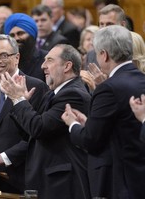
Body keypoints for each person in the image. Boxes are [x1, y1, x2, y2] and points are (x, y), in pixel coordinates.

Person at [61, 25, 145, 198]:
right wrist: (88, 123)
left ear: (104, 55)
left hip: (118, 183)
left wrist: (73, 125)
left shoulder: (107, 88)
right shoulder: (141, 79)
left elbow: (91, 140)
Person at [0, 44, 91, 199]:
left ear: (67, 66)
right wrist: (22, 103)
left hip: (62, 183)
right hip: (47, 179)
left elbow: (39, 128)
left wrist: (18, 100)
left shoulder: (73, 94)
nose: (43, 66)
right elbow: (30, 133)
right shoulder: (52, 94)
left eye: (49, 60)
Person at [0, 34, 48, 194]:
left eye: (3, 55)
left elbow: (36, 135)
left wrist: (5, 156)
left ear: (17, 58)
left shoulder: (35, 87)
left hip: (22, 178)